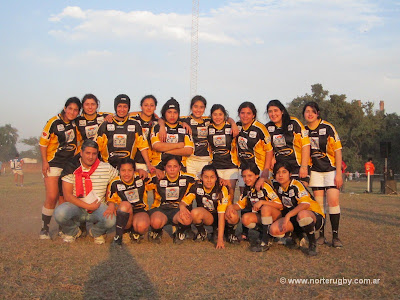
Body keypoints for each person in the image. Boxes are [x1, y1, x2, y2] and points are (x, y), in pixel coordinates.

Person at [54, 140, 119, 244]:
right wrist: (88, 206)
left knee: (111, 219)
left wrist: (111, 203)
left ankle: (96, 232)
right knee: (59, 213)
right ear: (81, 153)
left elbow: (119, 182)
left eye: (94, 153)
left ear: (97, 154)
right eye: (87, 153)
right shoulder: (71, 167)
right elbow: (67, 196)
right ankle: (73, 232)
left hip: (98, 207)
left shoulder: (106, 168)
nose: (90, 157)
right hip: (76, 206)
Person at [39, 97, 82, 239]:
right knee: (52, 196)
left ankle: (61, 228)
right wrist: (44, 162)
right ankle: (44, 228)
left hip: (68, 165)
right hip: (53, 163)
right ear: (65, 108)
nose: (73, 112)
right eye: (70, 108)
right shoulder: (53, 122)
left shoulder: (76, 123)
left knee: (64, 199)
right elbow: (43, 144)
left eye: (76, 110)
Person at [303, 101, 344, 248]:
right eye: (307, 111)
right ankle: (321, 235)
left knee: (332, 202)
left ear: (317, 113)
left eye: (312, 111)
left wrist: (338, 173)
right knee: (319, 206)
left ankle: (335, 236)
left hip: (330, 170)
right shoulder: (304, 131)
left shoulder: (327, 128)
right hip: (315, 172)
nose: (309, 114)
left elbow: (338, 151)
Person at [269, 161, 325, 256]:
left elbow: (305, 204)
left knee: (302, 214)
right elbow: (265, 179)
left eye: (284, 172)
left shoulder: (296, 185)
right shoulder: (277, 185)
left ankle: (312, 243)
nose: (281, 175)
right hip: (295, 218)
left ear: (290, 174)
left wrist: (288, 216)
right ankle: (297, 236)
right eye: (278, 172)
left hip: (314, 217)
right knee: (273, 230)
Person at [236, 101, 274, 241]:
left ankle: (266, 233)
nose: (245, 116)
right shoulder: (238, 126)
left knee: (262, 198)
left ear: (253, 115)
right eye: (242, 113)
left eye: (248, 113)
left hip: (259, 170)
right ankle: (245, 232)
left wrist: (265, 172)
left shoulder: (260, 128)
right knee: (244, 198)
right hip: (243, 170)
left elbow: (269, 150)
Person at [177, 95, 238, 178]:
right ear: (191, 107)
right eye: (196, 106)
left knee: (205, 187)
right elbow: (165, 118)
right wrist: (182, 123)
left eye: (201, 107)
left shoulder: (208, 120)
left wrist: (233, 124)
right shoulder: (185, 120)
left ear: (205, 108)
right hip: (191, 160)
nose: (198, 110)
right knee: (192, 187)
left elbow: (226, 117)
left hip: (206, 160)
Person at [225, 163, 282, 251]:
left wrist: (262, 202)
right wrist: (230, 207)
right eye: (244, 176)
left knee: (265, 208)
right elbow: (240, 204)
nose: (246, 179)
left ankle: (265, 241)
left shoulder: (264, 186)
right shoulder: (247, 189)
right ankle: (265, 233)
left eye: (250, 175)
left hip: (276, 217)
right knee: (245, 218)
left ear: (256, 175)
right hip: (263, 217)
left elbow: (279, 205)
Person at [179, 164, 233, 249]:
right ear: (201, 177)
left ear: (216, 178)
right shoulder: (196, 187)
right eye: (206, 177)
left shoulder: (221, 189)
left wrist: (220, 239)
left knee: (233, 215)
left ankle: (230, 233)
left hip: (222, 216)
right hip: (208, 217)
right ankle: (202, 232)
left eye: (212, 177)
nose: (209, 180)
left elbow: (221, 214)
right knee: (194, 213)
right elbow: (183, 202)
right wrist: (182, 207)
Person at [96, 94, 154, 172]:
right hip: (108, 167)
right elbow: (96, 147)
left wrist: (149, 165)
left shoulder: (135, 124)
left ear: (128, 108)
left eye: (125, 106)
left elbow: (142, 146)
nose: (122, 109)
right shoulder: (105, 124)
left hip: (128, 167)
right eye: (119, 106)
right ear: (115, 107)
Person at [147, 156, 196, 244]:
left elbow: (200, 185)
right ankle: (157, 231)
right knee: (156, 222)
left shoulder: (187, 178)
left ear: (180, 167)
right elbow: (142, 183)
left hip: (178, 209)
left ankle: (179, 230)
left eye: (175, 166)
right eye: (169, 166)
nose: (172, 169)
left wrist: (183, 204)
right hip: (161, 209)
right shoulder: (157, 177)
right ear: (165, 167)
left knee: (187, 219)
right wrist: (154, 171)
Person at [106, 158, 151, 245]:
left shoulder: (141, 177)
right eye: (123, 170)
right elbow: (110, 198)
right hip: (126, 211)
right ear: (119, 170)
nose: (126, 174)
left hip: (140, 210)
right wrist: (111, 204)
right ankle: (120, 234)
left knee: (142, 227)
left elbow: (156, 178)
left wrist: (144, 171)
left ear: (134, 170)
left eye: (130, 170)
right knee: (125, 205)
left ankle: (134, 232)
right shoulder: (115, 183)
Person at [266, 100, 310, 184]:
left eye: (276, 111)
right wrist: (272, 158)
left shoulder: (294, 123)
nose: (273, 114)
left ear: (282, 111)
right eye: (270, 112)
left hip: (297, 166)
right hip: (280, 169)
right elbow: (268, 148)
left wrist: (304, 166)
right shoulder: (267, 127)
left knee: (298, 193)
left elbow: (306, 145)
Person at [150, 98, 194, 173]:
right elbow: (157, 146)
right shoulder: (158, 127)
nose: (172, 115)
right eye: (169, 112)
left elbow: (188, 150)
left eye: (175, 112)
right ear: (164, 113)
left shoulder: (184, 127)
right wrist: (178, 145)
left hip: (180, 168)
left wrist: (165, 150)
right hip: (159, 166)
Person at [207, 104, 240, 202]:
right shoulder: (208, 127)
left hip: (231, 166)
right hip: (216, 166)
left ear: (224, 115)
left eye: (220, 114)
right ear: (211, 115)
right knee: (218, 195)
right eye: (215, 114)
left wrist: (233, 123)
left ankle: (229, 216)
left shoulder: (231, 126)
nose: (217, 117)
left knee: (230, 194)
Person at [129, 95, 159, 172]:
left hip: (151, 163)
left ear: (155, 107)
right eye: (146, 105)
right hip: (134, 162)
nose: (149, 108)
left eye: (152, 105)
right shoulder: (132, 120)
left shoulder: (158, 123)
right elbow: (121, 115)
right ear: (141, 107)